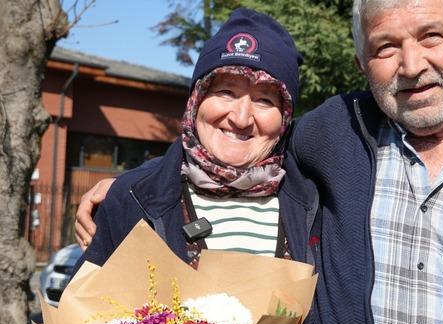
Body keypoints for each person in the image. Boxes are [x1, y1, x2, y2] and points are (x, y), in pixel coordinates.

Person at [76, 0, 443, 324]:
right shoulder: (334, 134)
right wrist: (136, 183)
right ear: (362, 62)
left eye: (431, 37)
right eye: (385, 47)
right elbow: (234, 141)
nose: (412, 64)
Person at [72, 7, 303, 273]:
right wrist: (129, 187)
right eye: (226, 92)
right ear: (196, 102)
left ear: (285, 116)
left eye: (265, 100)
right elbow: (81, 309)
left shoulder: (314, 203)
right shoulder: (132, 199)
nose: (241, 118)